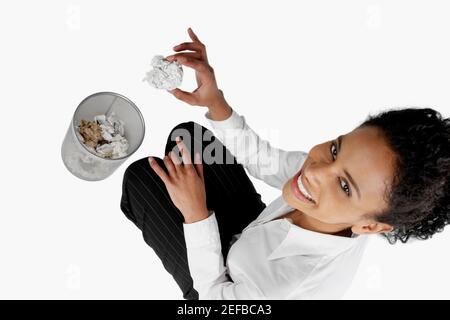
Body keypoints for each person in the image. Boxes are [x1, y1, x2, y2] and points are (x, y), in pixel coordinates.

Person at [120, 28, 450, 299]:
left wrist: (195, 216)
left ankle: (150, 208)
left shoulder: (293, 283)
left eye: (345, 185)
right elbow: (268, 161)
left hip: (223, 292)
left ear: (369, 226)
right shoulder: (327, 182)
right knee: (190, 138)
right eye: (335, 150)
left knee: (140, 177)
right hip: (250, 235)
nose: (316, 171)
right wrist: (214, 100)